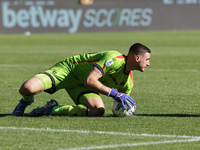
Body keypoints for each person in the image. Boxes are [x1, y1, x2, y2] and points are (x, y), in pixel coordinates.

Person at [12, 43, 151, 117]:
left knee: (98, 111)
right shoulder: (113, 58)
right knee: (27, 88)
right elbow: (90, 80)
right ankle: (25, 101)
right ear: (137, 58)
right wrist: (115, 93)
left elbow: (123, 104)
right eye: (147, 59)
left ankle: (52, 109)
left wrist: (126, 110)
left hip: (82, 85)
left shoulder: (128, 83)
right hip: (68, 71)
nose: (149, 63)